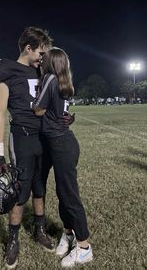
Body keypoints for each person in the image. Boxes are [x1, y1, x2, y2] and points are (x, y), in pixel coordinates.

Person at [0, 26, 55, 269]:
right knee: (19, 191)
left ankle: (39, 229)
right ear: (29, 48)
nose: (42, 57)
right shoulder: (7, 72)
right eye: (40, 52)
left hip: (44, 136)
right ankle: (13, 239)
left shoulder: (42, 71)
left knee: (40, 187)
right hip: (23, 137)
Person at [32, 47, 93, 268]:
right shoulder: (63, 80)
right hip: (61, 142)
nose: (40, 60)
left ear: (51, 63)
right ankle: (67, 234)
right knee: (62, 192)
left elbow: (38, 109)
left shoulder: (49, 77)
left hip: (61, 144)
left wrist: (35, 105)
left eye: (44, 58)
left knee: (69, 195)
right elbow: (62, 112)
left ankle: (84, 247)